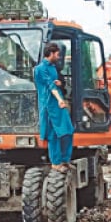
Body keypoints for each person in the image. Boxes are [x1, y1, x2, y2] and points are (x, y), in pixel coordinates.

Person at [35, 42, 75, 172]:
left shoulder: (53, 68)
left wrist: (60, 83)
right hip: (49, 104)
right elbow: (49, 86)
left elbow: (56, 83)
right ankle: (56, 162)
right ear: (51, 53)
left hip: (58, 102)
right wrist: (59, 100)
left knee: (68, 130)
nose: (58, 57)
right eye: (57, 54)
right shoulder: (40, 69)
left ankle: (65, 159)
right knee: (53, 135)